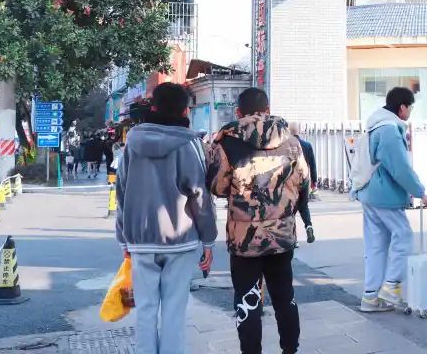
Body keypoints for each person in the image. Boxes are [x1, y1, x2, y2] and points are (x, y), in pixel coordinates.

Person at [206, 88, 310, 354]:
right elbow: (303, 182)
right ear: (268, 109)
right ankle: (290, 349)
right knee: (284, 296)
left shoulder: (227, 142)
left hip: (244, 240)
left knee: (247, 299)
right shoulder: (291, 141)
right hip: (281, 235)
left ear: (238, 112)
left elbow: (218, 187)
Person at [115, 82, 216, 354]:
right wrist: (208, 240)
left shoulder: (132, 142)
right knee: (174, 311)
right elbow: (199, 195)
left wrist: (123, 238)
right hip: (181, 241)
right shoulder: (190, 144)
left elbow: (121, 192)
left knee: (145, 310)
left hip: (141, 240)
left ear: (154, 108)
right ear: (185, 111)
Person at [354, 87, 427, 313]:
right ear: (402, 107)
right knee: (404, 236)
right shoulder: (389, 130)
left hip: (368, 192)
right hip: (384, 195)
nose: (410, 112)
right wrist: (421, 193)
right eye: (410, 107)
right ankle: (391, 286)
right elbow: (400, 168)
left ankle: (370, 297)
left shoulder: (375, 125)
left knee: (376, 246)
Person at [289, 123, 319, 200]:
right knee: (303, 204)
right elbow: (312, 165)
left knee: (289, 204)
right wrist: (314, 181)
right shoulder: (307, 145)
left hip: (289, 181)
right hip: (303, 179)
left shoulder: (285, 145)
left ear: (289, 132)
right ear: (299, 131)